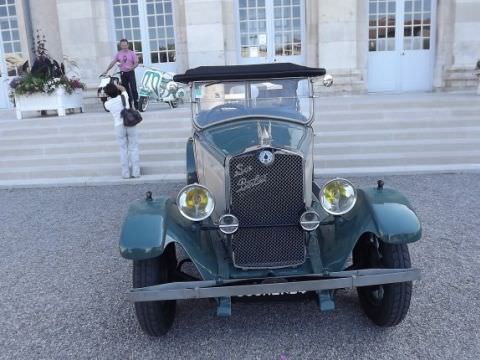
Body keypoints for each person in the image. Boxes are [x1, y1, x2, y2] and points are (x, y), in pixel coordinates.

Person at [103, 83, 141, 179]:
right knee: (134, 148)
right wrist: (116, 85)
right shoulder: (124, 97)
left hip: (119, 126)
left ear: (107, 94)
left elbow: (107, 102)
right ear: (117, 90)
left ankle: (125, 173)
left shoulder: (107, 104)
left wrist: (108, 94)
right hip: (130, 123)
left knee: (123, 150)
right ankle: (136, 172)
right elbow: (123, 88)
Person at [103, 39, 139, 110]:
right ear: (120, 46)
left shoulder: (132, 53)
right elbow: (113, 62)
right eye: (122, 45)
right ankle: (129, 104)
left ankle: (136, 103)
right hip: (123, 73)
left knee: (133, 88)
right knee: (126, 90)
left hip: (130, 72)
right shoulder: (119, 54)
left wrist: (132, 68)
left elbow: (136, 62)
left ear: (128, 45)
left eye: (125, 45)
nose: (124, 47)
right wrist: (107, 70)